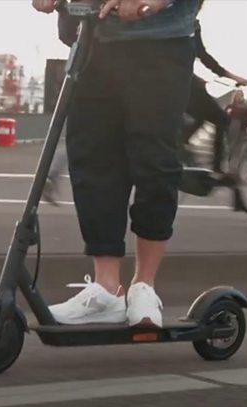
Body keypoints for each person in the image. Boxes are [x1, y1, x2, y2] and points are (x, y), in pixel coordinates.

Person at [32, 0, 199, 328]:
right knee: (92, 163)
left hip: (159, 40)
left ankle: (144, 286)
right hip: (92, 42)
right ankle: (107, 290)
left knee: (155, 163)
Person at [181, 10, 247, 172]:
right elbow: (203, 56)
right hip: (181, 81)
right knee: (222, 120)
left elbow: (202, 55)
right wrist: (232, 76)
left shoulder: (189, 22)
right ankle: (216, 168)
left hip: (181, 80)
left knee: (202, 115)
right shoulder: (186, 21)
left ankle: (183, 144)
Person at [223, 90, 247, 175]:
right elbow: (225, 117)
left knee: (238, 149)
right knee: (231, 148)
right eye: (237, 95)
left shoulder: (245, 107)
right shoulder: (230, 106)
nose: (239, 97)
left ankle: (233, 168)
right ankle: (230, 166)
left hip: (241, 130)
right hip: (231, 130)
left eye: (240, 95)